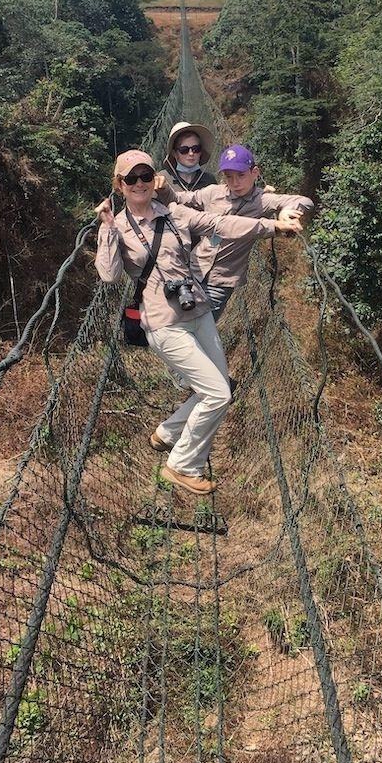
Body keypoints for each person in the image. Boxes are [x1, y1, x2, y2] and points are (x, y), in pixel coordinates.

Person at [94, 149, 302, 496]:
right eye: (131, 179)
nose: (140, 184)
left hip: (198, 310)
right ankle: (181, 465)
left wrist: (271, 226)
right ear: (120, 185)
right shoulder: (117, 227)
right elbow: (109, 275)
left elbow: (220, 224)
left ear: (154, 179)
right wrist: (107, 230)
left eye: (146, 176)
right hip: (164, 322)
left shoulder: (174, 212)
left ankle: (169, 432)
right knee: (217, 394)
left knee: (222, 387)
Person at [160, 144, 315, 321]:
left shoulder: (262, 200)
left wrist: (286, 210)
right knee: (180, 321)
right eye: (229, 176)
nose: (235, 182)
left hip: (221, 281)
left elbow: (305, 201)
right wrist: (164, 188)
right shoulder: (213, 193)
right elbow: (180, 198)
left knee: (203, 325)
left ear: (255, 172)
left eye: (241, 175)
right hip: (194, 269)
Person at [158, 121, 217, 191]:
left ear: (201, 151)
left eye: (196, 149)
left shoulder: (209, 181)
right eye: (184, 150)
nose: (191, 153)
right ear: (174, 153)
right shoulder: (162, 179)